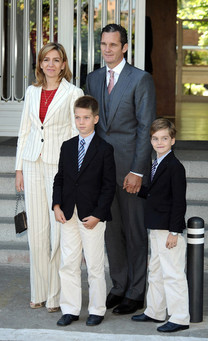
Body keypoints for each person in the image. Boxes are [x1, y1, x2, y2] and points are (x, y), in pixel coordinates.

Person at [85, 23, 156, 314]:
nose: (108, 49)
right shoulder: (93, 78)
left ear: (124, 47)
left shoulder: (141, 79)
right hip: (102, 171)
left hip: (130, 169)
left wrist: (138, 171)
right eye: (104, 44)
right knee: (111, 232)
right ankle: (119, 285)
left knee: (135, 231)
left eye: (113, 44)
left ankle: (137, 291)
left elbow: (145, 127)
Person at [15, 42, 84, 312]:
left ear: (64, 64)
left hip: (59, 167)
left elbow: (77, 133)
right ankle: (39, 291)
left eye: (56, 60)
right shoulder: (32, 92)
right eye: (46, 60)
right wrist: (19, 168)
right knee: (37, 233)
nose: (51, 64)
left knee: (59, 232)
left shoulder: (73, 92)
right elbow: (24, 132)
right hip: (32, 162)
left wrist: (73, 171)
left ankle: (56, 296)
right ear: (40, 64)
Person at [52, 95, 116, 327]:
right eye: (77, 117)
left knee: (95, 265)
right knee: (68, 262)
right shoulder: (67, 146)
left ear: (95, 119)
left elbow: (109, 186)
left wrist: (98, 214)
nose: (81, 122)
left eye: (86, 118)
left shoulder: (104, 149)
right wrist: (57, 205)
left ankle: (97, 310)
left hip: (92, 216)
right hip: (68, 213)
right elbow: (59, 178)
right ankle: (70, 309)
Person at [132, 118, 190, 333]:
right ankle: (155, 311)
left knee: (172, 273)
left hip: (168, 229)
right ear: (151, 141)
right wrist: (139, 190)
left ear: (172, 140)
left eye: (164, 138)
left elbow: (178, 202)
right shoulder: (154, 163)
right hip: (155, 227)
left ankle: (180, 317)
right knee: (155, 270)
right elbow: (157, 194)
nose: (159, 142)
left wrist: (174, 231)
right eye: (155, 139)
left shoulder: (175, 167)